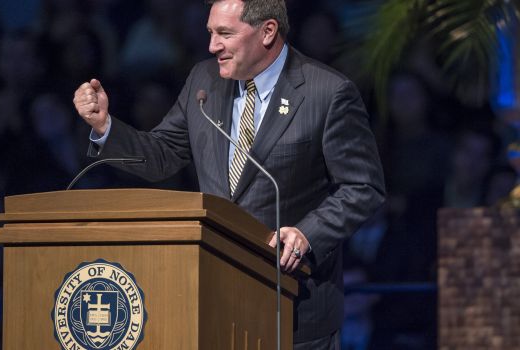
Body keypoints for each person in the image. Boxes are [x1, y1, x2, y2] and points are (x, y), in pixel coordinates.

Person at [73, 0, 385, 348]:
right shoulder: (203, 80)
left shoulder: (327, 93)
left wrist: (308, 234)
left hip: (294, 308)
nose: (212, 46)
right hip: (215, 302)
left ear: (267, 31)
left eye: (225, 33)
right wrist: (105, 127)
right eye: (210, 32)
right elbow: (161, 157)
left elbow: (363, 186)